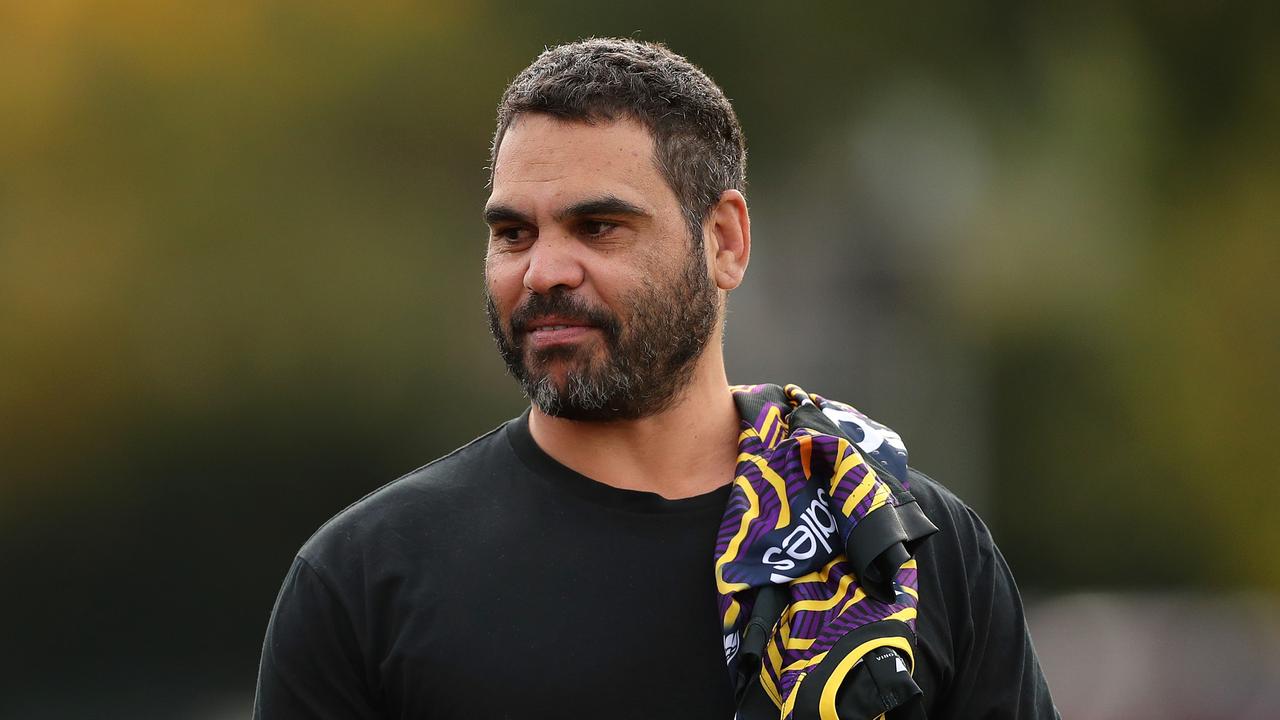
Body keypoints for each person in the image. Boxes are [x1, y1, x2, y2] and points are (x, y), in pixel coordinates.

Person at [254, 38, 1059, 719]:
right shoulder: (363, 585)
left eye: (597, 227)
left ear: (725, 242)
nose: (542, 271)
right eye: (512, 232)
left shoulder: (902, 544)